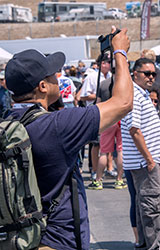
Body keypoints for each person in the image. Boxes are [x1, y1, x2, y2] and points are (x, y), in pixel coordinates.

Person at [4, 27, 132, 250]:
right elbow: (122, 103)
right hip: (57, 241)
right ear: (42, 87)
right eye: (53, 74)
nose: (58, 77)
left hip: (19, 239)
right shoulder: (58, 125)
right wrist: (120, 53)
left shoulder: (7, 124)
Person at [121, 57, 160, 250]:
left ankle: (145, 245)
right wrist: (149, 159)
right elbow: (134, 129)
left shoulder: (141, 94)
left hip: (144, 163)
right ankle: (153, 247)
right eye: (147, 73)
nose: (151, 77)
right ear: (135, 74)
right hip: (144, 164)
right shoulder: (135, 95)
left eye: (153, 74)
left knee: (146, 208)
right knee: (151, 209)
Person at [80, 53, 112, 184]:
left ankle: (108, 168)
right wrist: (100, 95)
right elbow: (83, 96)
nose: (110, 65)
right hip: (96, 113)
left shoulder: (110, 77)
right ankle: (94, 169)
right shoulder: (92, 77)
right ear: (103, 64)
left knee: (108, 144)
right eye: (109, 62)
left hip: (109, 113)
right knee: (96, 144)